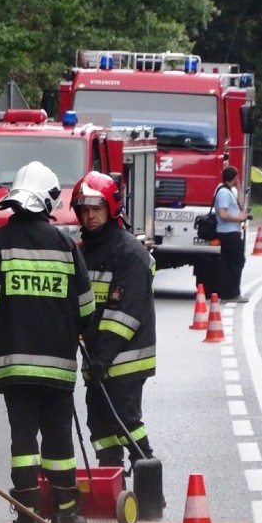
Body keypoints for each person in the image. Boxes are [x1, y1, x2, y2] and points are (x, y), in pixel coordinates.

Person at [0, 161, 94, 523]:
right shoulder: (67, 246)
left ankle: (28, 516)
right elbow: (86, 310)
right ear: (49, 200)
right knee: (59, 438)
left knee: (23, 439)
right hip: (59, 366)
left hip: (13, 365)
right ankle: (66, 512)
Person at [70, 171, 157, 476]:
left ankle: (149, 486)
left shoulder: (130, 252)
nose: (90, 216)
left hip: (125, 358)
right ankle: (111, 481)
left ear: (111, 208)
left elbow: (124, 315)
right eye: (84, 210)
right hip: (97, 358)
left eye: (96, 208)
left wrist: (101, 359)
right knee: (100, 425)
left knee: (126, 422)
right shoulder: (81, 252)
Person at [214, 166, 249, 303]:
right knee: (237, 261)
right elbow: (223, 214)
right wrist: (239, 218)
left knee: (227, 262)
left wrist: (239, 188)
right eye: (237, 177)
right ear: (234, 177)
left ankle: (225, 293)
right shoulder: (223, 193)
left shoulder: (229, 192)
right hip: (229, 232)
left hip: (230, 231)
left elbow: (240, 205)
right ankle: (233, 292)